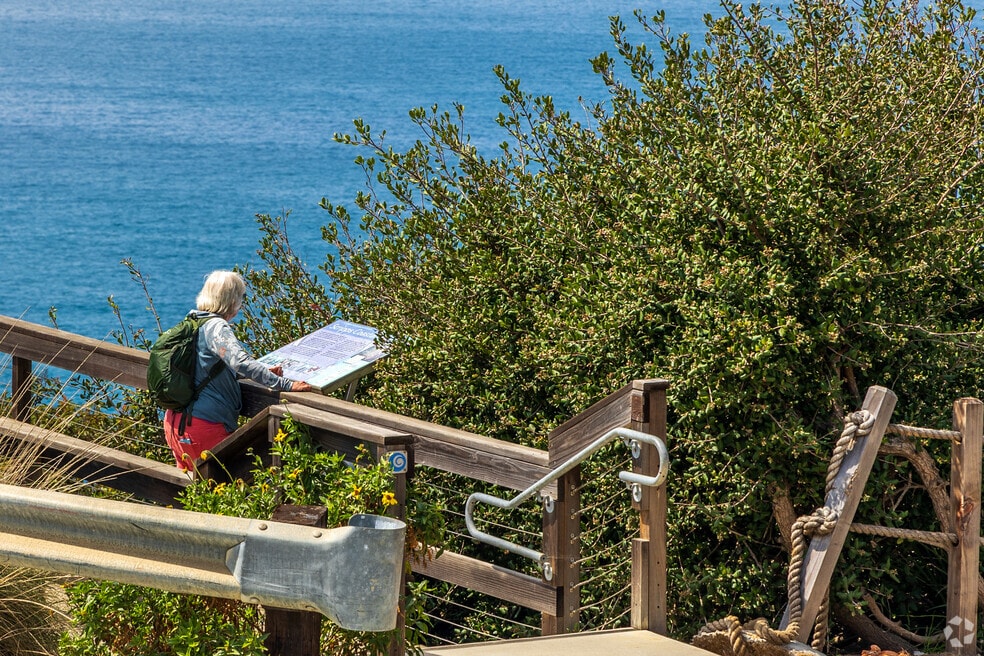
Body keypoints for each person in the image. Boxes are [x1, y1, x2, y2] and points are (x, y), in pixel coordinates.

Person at [163, 270, 313, 471]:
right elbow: (240, 362)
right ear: (232, 300)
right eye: (240, 297)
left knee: (195, 494)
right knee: (230, 488)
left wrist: (263, 371)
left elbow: (206, 368)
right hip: (203, 427)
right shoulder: (217, 326)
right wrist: (286, 384)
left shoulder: (192, 321)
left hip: (175, 424)